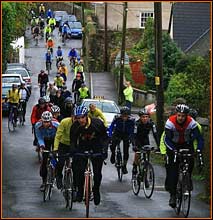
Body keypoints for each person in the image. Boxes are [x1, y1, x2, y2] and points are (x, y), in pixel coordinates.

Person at [163, 104, 204, 208]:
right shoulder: (170, 122)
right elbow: (166, 139)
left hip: (186, 144)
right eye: (179, 115)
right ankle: (173, 195)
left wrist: (199, 150)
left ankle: (187, 178)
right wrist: (173, 150)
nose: (181, 118)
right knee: (173, 171)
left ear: (186, 116)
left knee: (190, 162)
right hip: (173, 145)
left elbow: (199, 138)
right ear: (176, 114)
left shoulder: (191, 123)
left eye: (183, 116)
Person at [70, 105, 108, 205]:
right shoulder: (75, 126)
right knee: (79, 171)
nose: (80, 120)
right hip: (82, 148)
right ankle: (80, 190)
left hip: (96, 148)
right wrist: (73, 149)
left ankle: (96, 191)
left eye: (82, 117)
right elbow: (73, 140)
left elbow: (105, 138)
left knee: (97, 173)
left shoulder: (97, 123)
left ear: (86, 116)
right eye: (78, 118)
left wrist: (104, 150)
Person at [35, 111, 59, 191]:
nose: (46, 124)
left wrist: (56, 148)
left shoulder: (57, 125)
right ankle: (44, 181)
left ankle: (56, 173)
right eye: (44, 122)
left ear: (51, 120)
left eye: (48, 122)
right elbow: (39, 137)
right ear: (42, 120)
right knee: (45, 160)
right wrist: (42, 146)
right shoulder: (38, 125)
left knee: (55, 157)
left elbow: (59, 136)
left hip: (55, 139)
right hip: (45, 140)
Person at [53, 104, 75, 190]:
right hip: (63, 144)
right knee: (61, 162)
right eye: (75, 118)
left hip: (74, 144)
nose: (77, 120)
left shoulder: (81, 123)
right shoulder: (64, 122)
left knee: (77, 164)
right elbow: (58, 136)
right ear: (71, 116)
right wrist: (55, 149)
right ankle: (59, 177)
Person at [108, 106, 135, 174]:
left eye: (126, 116)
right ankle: (113, 154)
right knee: (113, 145)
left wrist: (132, 140)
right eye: (123, 115)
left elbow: (133, 131)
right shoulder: (117, 118)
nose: (124, 117)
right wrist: (110, 135)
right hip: (117, 133)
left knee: (126, 151)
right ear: (121, 114)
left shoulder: (132, 120)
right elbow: (111, 126)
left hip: (126, 134)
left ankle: (124, 166)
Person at [132, 108, 159, 174]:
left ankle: (145, 170)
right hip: (137, 139)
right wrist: (134, 145)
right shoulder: (137, 124)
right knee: (138, 153)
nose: (145, 119)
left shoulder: (151, 123)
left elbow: (155, 135)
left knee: (147, 155)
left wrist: (158, 146)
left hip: (145, 139)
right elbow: (134, 135)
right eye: (143, 117)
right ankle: (135, 165)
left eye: (146, 117)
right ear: (140, 117)